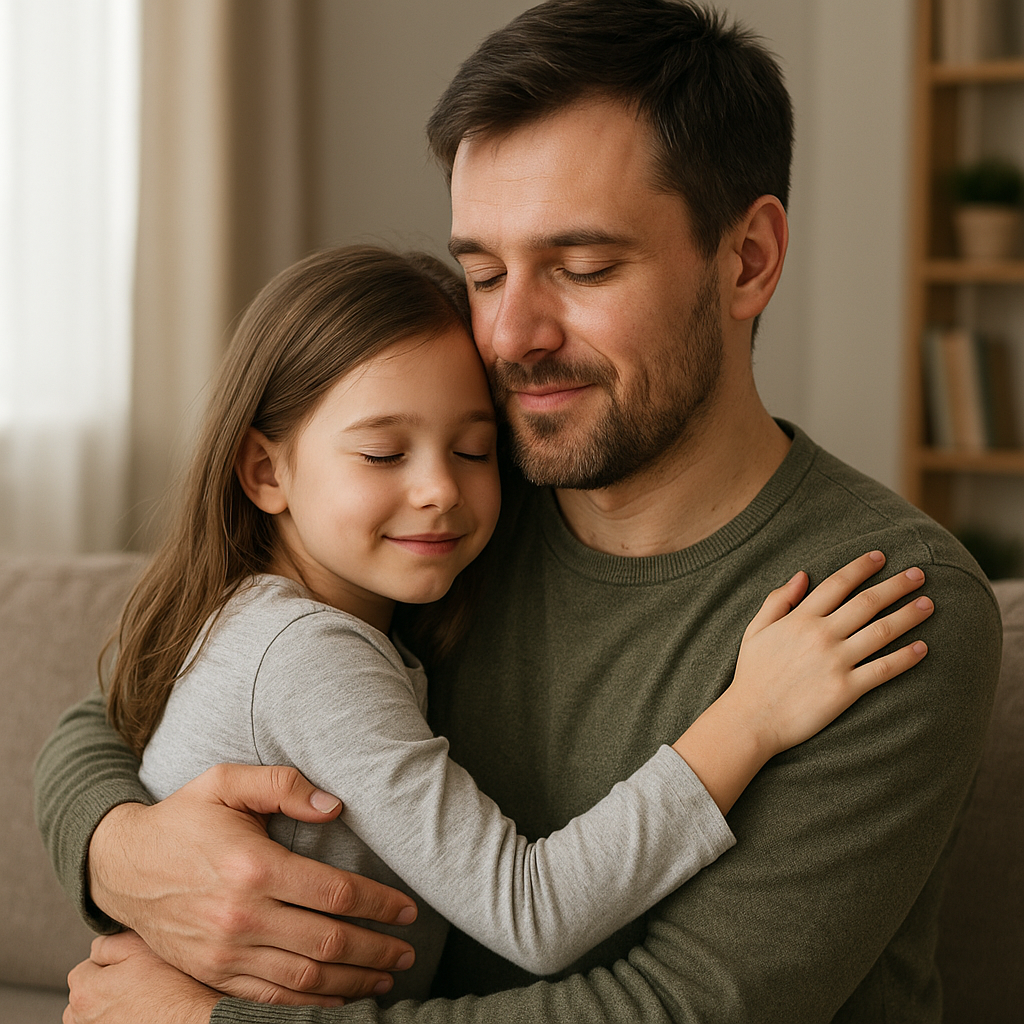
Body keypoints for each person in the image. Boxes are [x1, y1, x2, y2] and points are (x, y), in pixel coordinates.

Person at [39, 2, 1002, 1022]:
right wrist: (121, 850)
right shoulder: (452, 516)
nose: (509, 333)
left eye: (583, 268)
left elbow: (678, 1010)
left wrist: (213, 1019)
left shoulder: (883, 601)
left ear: (747, 260)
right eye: (483, 271)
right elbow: (119, 706)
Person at [96, 240, 930, 1009]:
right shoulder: (305, 654)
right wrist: (749, 719)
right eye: (384, 454)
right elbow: (532, 913)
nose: (440, 491)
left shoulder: (308, 608)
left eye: (474, 448)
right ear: (264, 470)